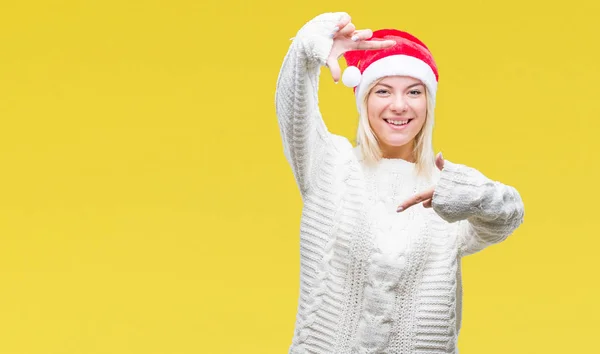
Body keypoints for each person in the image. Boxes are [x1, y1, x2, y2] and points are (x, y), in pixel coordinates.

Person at [274, 11, 524, 354]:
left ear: (428, 103)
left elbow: (507, 216)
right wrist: (306, 48)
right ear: (363, 99)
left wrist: (472, 196)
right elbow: (293, 112)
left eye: (414, 92)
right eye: (383, 91)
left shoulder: (446, 191)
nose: (399, 105)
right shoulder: (330, 166)